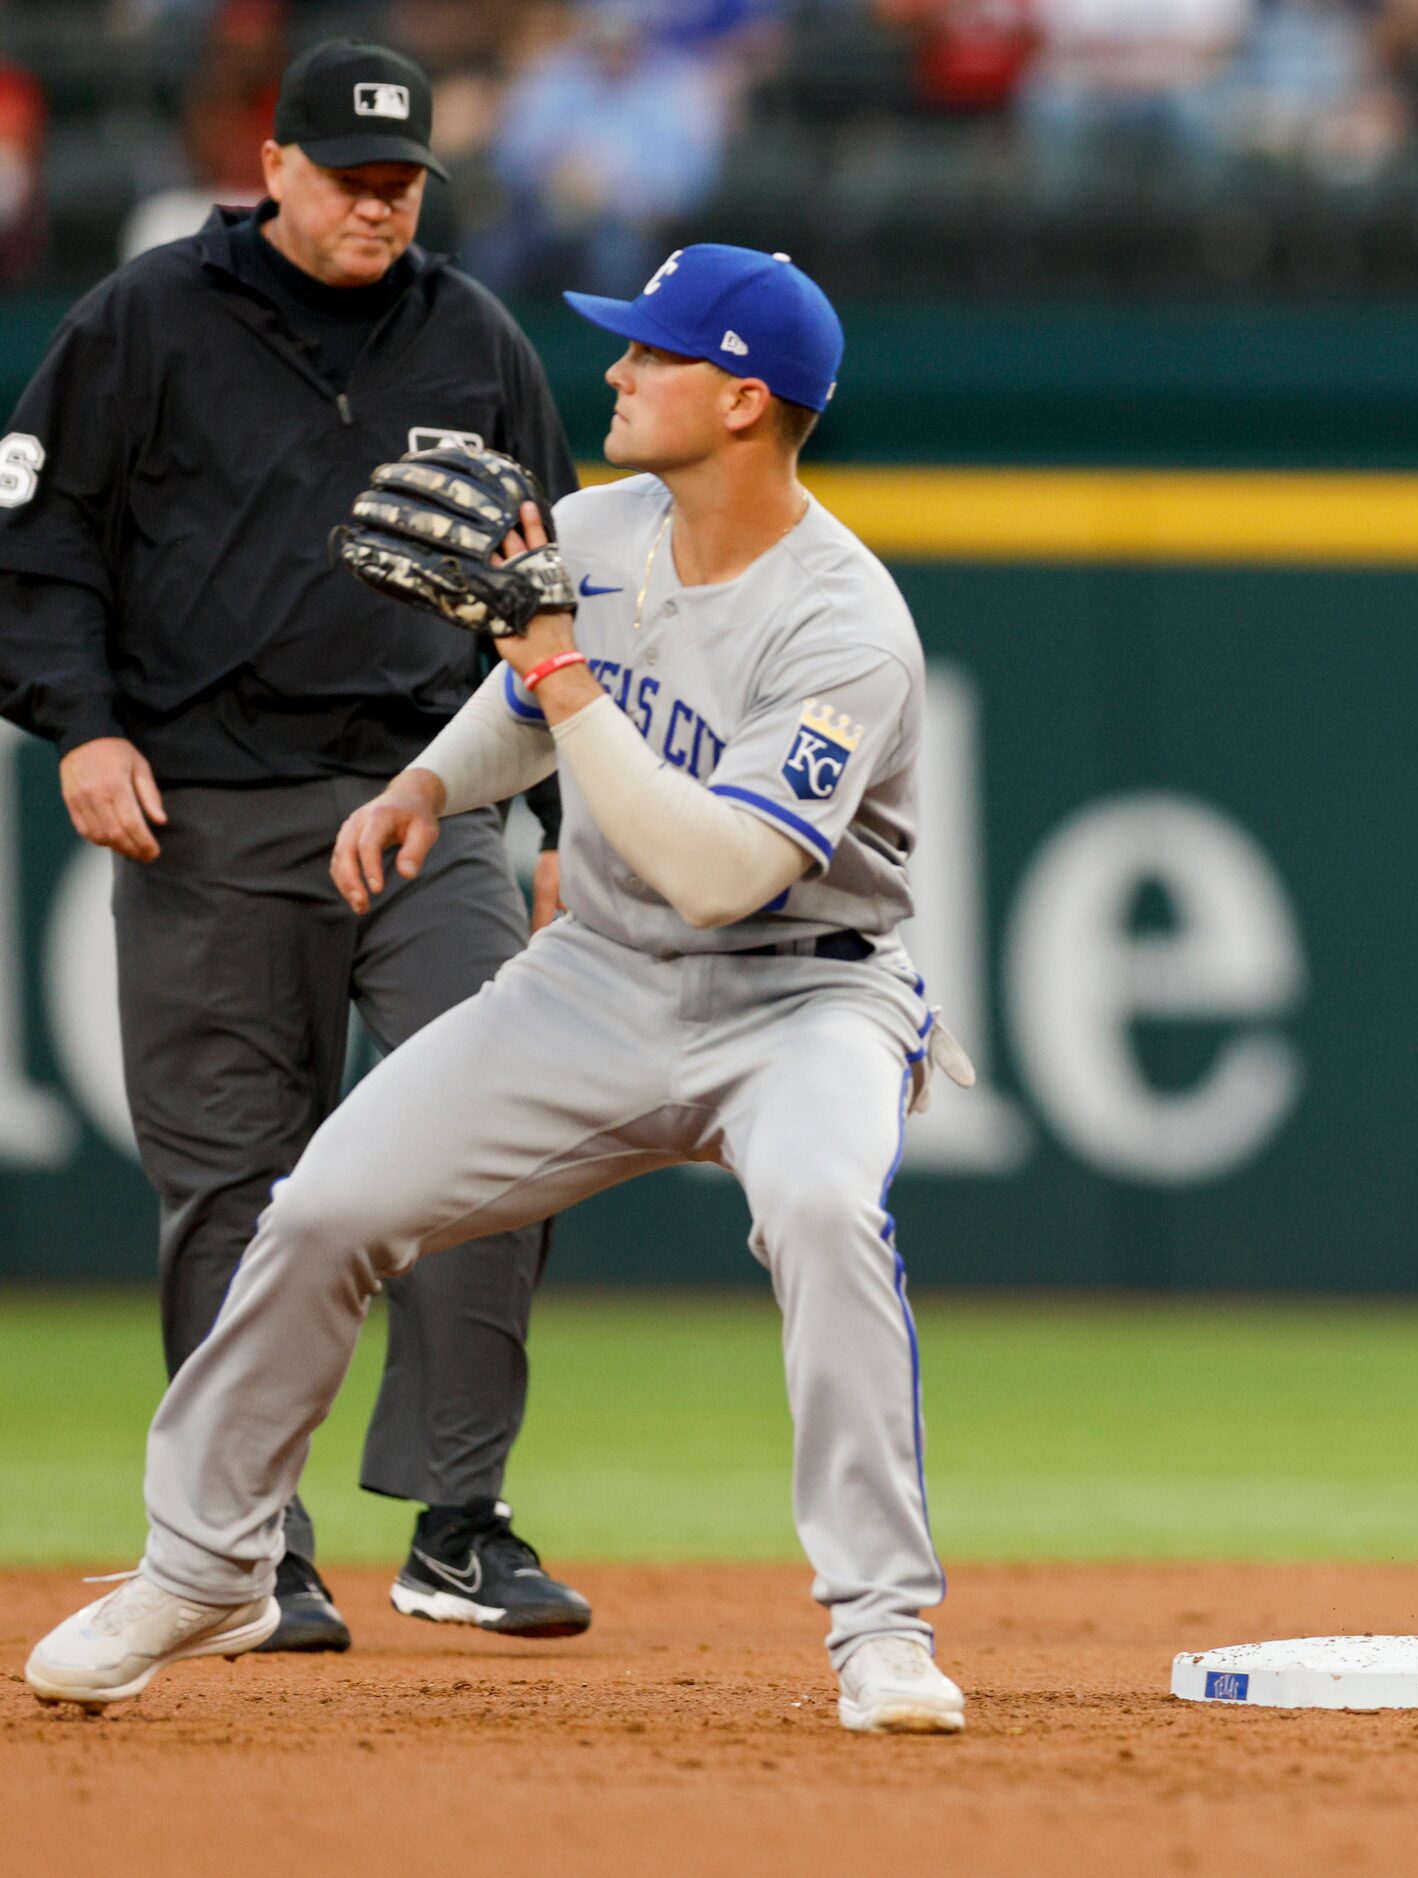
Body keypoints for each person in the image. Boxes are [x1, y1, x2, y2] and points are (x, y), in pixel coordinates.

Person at [23, 244, 976, 1736]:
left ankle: (883, 1628)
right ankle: (205, 1565)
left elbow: (723, 871)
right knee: (326, 1204)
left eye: (651, 354)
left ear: (741, 399)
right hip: (594, 978)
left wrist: (563, 679)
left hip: (806, 999)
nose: (615, 372)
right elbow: (515, 706)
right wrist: (428, 778)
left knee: (819, 1207)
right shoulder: (600, 530)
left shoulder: (845, 625)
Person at [0, 39, 589, 1650]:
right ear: (277, 167)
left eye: (403, 183)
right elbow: (34, 541)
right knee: (229, 1192)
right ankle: (247, 1549)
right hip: (201, 806)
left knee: (502, 1136)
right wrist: (84, 724)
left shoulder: (472, 335)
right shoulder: (140, 322)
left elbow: (556, 596)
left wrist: (553, 817)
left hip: (428, 802)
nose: (380, 206)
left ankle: (459, 1524)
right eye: (352, 178)